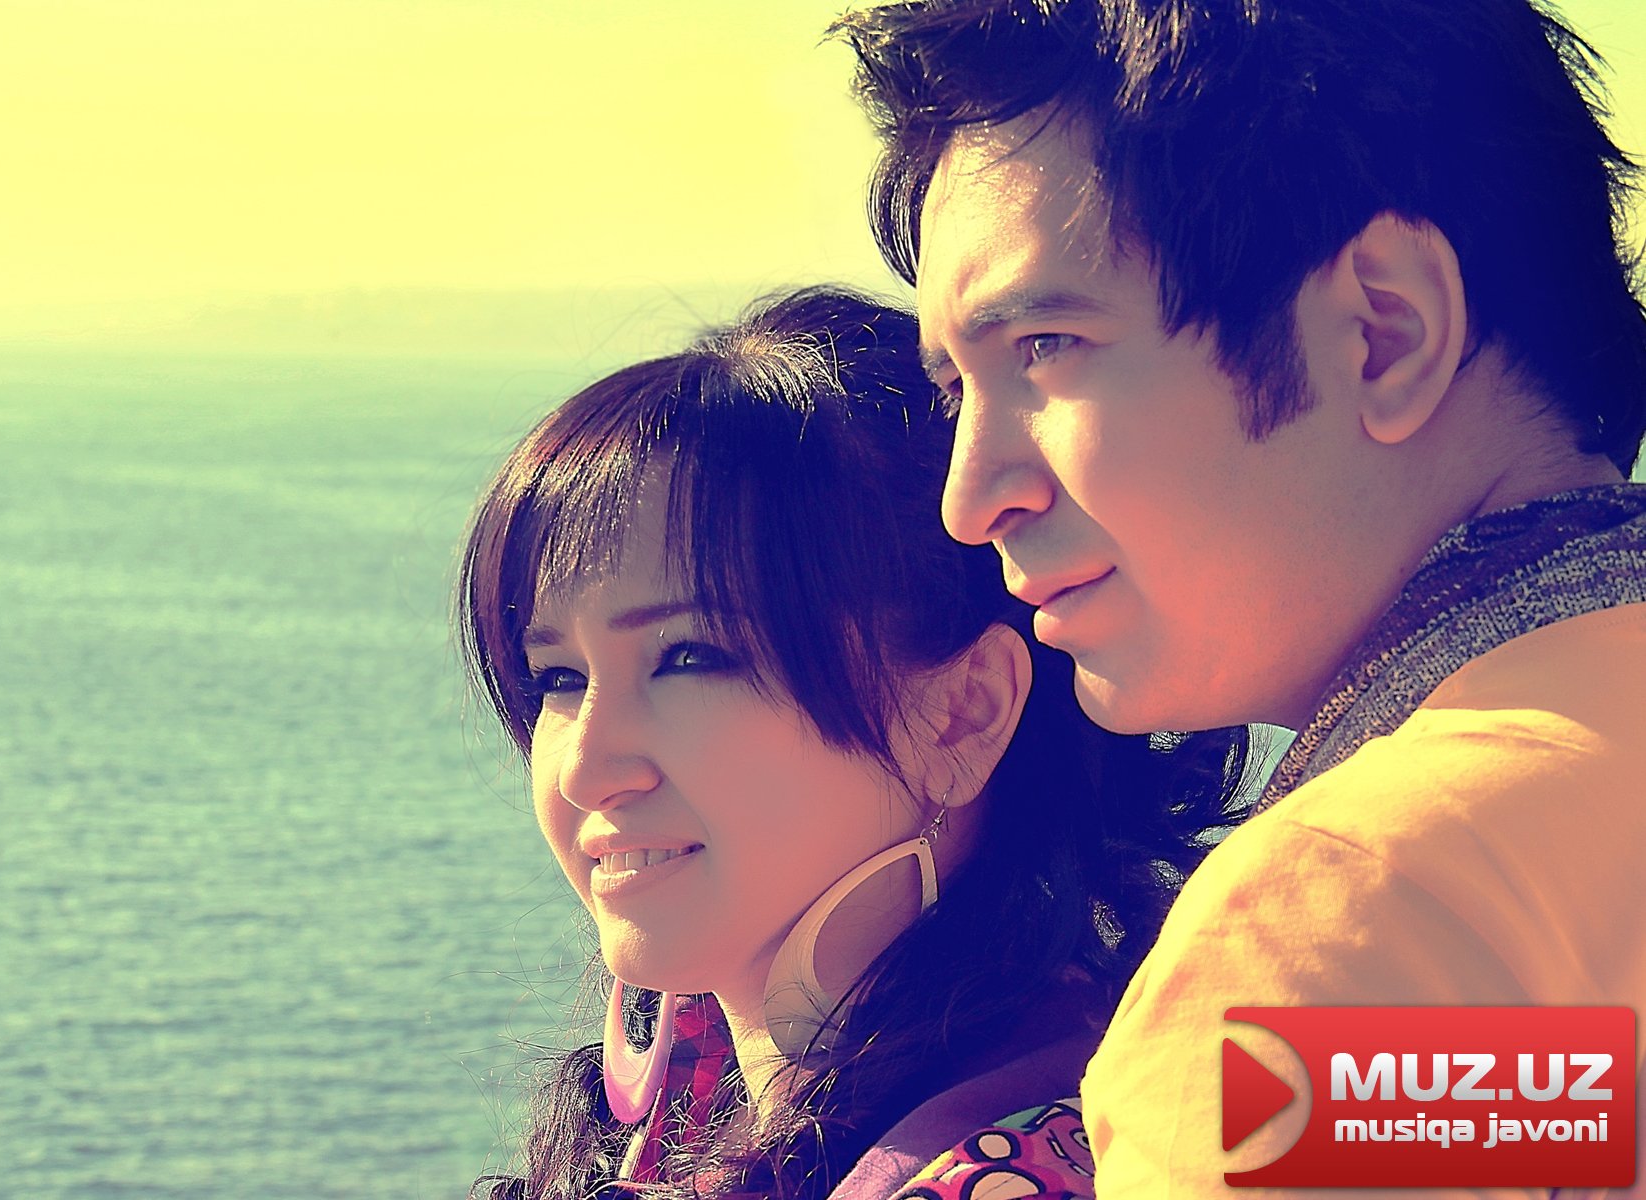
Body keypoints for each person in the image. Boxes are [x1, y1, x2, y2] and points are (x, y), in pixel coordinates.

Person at [833, 0, 1646, 1194]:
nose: (969, 498)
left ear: (1380, 331)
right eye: (956, 389)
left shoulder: (1337, 941)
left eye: (1045, 347)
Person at [457, 287, 1246, 1199]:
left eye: (689, 657)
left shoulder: (1035, 1165)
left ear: (961, 713)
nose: (587, 769)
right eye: (557, 677)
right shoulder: (678, 1120)